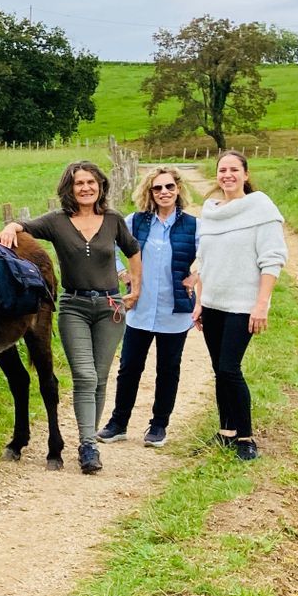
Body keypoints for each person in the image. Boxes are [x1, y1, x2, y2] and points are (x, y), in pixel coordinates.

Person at [0, 162, 142, 475]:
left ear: (100, 185)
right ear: (69, 188)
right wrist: (10, 227)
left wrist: (136, 286)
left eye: (91, 182)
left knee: (100, 377)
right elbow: (25, 227)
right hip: (74, 305)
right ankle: (88, 443)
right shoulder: (57, 221)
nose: (86, 188)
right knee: (85, 376)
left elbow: (132, 249)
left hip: (110, 307)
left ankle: (88, 442)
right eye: (79, 183)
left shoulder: (113, 219)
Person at [193, 150, 288, 461]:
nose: (227, 175)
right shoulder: (210, 212)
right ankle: (226, 431)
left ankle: (246, 437)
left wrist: (261, 305)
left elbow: (272, 260)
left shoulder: (261, 209)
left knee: (229, 369)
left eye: (234, 169)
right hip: (212, 303)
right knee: (218, 371)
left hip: (242, 304)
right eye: (222, 170)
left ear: (246, 174)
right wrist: (199, 301)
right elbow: (205, 261)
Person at [98, 167, 199, 448]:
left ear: (178, 189)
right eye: (158, 188)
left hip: (173, 311)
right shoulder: (135, 222)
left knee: (168, 370)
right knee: (129, 368)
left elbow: (208, 255)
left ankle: (158, 425)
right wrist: (121, 273)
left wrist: (197, 274)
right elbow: (106, 247)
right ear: (149, 192)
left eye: (169, 187)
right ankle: (118, 423)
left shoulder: (193, 225)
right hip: (139, 309)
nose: (164, 192)